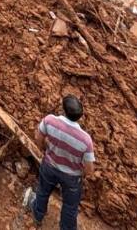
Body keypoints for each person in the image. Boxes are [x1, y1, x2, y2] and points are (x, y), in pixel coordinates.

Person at [26, 95, 95, 230]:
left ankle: (38, 215)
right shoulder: (86, 140)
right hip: (72, 177)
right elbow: (89, 170)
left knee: (42, 192)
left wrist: (45, 152)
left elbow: (38, 138)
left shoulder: (50, 121)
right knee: (70, 207)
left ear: (63, 110)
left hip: (49, 166)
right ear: (80, 116)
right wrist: (77, 171)